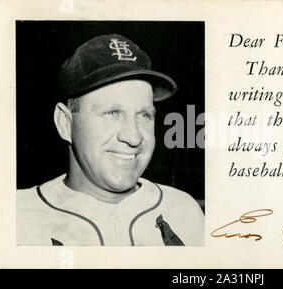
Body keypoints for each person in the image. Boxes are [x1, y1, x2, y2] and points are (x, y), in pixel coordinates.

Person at [17, 34, 204, 246]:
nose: (133, 137)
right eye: (112, 112)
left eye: (144, 115)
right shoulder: (15, 219)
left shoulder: (184, 210)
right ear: (65, 123)